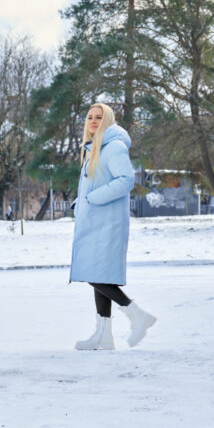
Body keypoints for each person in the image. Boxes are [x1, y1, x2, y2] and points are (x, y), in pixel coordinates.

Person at [69, 103, 156, 350]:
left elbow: (126, 180)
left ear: (108, 120)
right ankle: (103, 336)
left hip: (107, 224)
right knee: (98, 274)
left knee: (93, 274)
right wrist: (81, 203)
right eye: (90, 117)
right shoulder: (95, 148)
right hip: (95, 222)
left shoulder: (114, 147)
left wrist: (92, 199)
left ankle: (137, 315)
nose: (93, 121)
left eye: (99, 117)